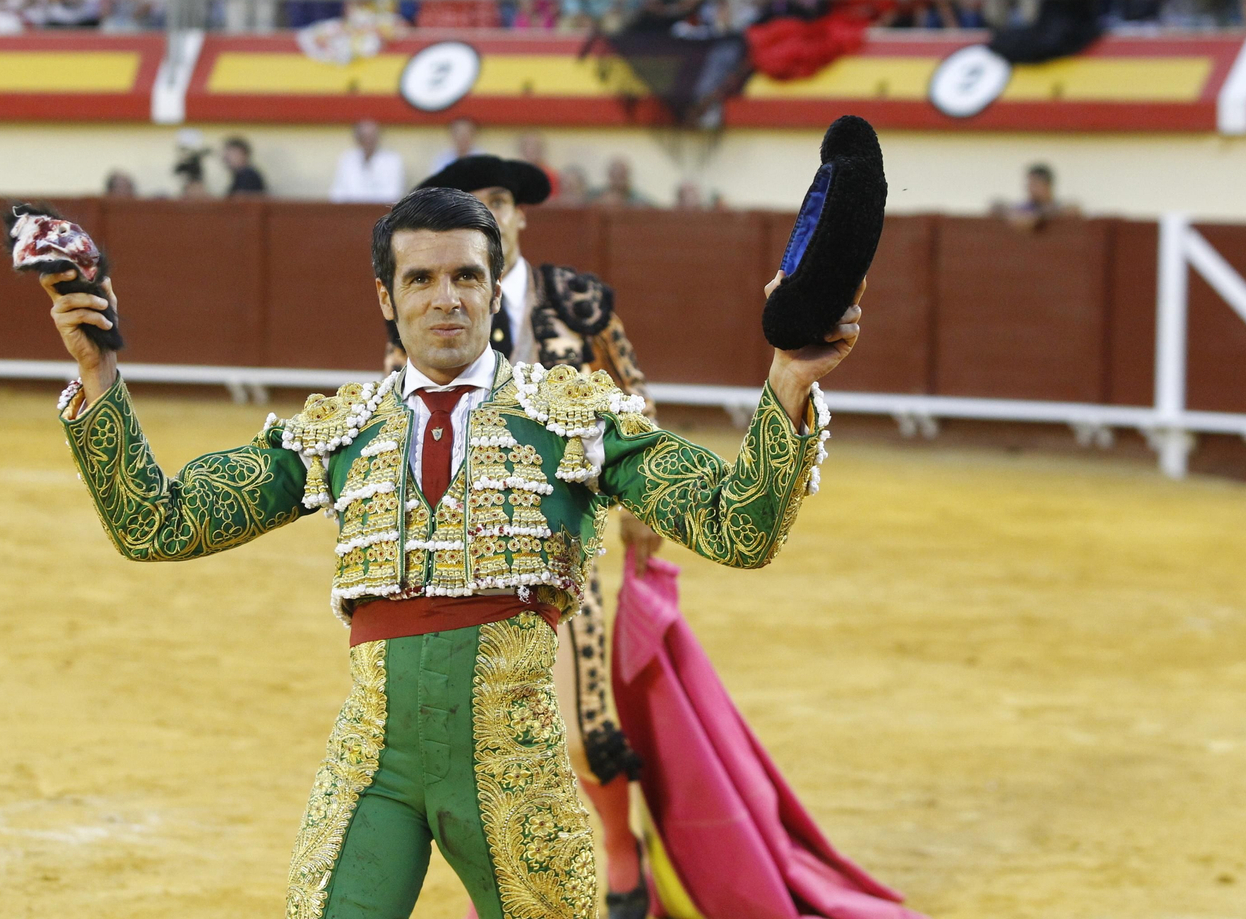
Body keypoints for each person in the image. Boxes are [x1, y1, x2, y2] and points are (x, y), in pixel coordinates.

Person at [42, 181, 855, 919]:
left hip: (518, 770)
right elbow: (160, 524)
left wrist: (787, 379)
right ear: (386, 299)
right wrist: (100, 372)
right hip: (373, 769)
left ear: (494, 287)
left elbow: (735, 529)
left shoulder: (576, 416)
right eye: (421, 279)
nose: (447, 300)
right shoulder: (339, 430)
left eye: (467, 276)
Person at [382, 156, 668, 917]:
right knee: (489, 738)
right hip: (466, 553)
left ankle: (616, 845)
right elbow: (396, 415)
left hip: (569, 543)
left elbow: (632, 393)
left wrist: (645, 500)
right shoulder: (424, 305)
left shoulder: (578, 299)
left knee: (584, 725)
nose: (489, 213)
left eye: (500, 201)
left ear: (518, 217)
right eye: (471, 203)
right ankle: (508, 887)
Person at [329, 118, 405, 202]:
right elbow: (337, 193)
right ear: (357, 139)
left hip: (381, 211)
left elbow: (393, 193)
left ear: (378, 138)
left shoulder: (392, 160)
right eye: (363, 137)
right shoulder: (347, 159)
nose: (368, 141)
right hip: (350, 212)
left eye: (371, 137)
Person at [988, 161, 1081, 229]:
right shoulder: (1025, 207)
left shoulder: (1057, 207)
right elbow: (995, 206)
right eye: (1029, 184)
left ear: (1047, 185)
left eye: (1034, 184)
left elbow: (1074, 209)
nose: (1029, 189)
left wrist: (1039, 216)